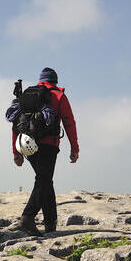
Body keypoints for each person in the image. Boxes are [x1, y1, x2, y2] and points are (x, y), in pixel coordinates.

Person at [11, 67, 79, 236]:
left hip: (27, 145)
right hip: (49, 144)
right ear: (55, 81)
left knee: (45, 181)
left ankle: (50, 223)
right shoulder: (58, 95)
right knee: (43, 180)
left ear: (40, 80)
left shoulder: (27, 95)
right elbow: (69, 123)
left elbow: (15, 125)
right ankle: (27, 217)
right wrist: (74, 148)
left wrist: (16, 152)